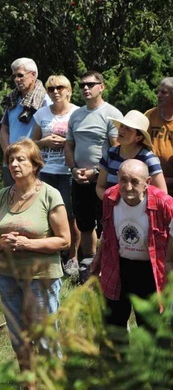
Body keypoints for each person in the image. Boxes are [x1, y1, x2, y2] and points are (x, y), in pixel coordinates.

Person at [0, 139, 70, 374]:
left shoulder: (50, 195)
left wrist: (28, 243)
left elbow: (65, 240)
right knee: (19, 340)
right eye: (11, 160)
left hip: (41, 277)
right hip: (8, 275)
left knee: (45, 341)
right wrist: (2, 243)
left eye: (20, 159)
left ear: (35, 165)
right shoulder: (3, 195)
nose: (14, 164)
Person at [91, 160, 173, 339]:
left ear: (148, 183)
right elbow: (107, 232)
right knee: (113, 325)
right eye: (123, 180)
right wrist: (98, 259)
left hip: (150, 270)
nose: (127, 187)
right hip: (118, 265)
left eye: (135, 181)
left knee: (151, 328)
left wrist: (169, 263)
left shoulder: (164, 203)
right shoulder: (110, 197)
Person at [64, 70, 122, 262]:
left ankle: (107, 264)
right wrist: (73, 170)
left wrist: (97, 172)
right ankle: (87, 265)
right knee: (84, 224)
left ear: (102, 87)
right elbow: (69, 145)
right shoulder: (76, 115)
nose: (86, 88)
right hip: (79, 178)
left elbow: (117, 149)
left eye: (90, 84)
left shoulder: (111, 114)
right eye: (82, 85)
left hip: (105, 180)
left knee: (106, 226)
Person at [32, 75, 80, 272]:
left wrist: (68, 143)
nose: (55, 92)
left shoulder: (78, 113)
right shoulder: (41, 114)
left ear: (69, 90)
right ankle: (52, 253)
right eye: (51, 89)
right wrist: (45, 142)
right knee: (47, 214)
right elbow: (32, 143)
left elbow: (84, 142)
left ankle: (74, 256)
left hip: (68, 170)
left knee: (70, 215)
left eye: (60, 88)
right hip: (46, 170)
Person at [0, 58, 51, 186]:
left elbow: (49, 130)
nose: (17, 79)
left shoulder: (45, 101)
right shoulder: (12, 99)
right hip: (12, 162)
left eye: (20, 75)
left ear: (33, 75)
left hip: (34, 162)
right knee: (10, 199)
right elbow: (4, 129)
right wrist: (8, 153)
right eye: (15, 76)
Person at [96, 110, 166, 200]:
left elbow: (162, 193)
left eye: (128, 129)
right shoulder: (110, 154)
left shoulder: (148, 159)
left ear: (138, 138)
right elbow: (100, 187)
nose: (122, 130)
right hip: (114, 212)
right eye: (122, 126)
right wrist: (113, 202)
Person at [145, 77, 173, 195]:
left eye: (164, 92)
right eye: (159, 91)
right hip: (150, 180)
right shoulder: (150, 115)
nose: (158, 95)